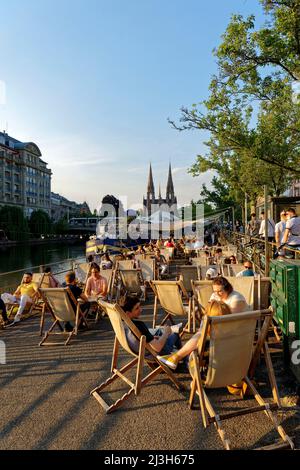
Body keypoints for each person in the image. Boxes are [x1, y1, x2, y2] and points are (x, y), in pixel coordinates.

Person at [157, 301, 232, 370]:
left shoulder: (207, 337)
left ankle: (175, 357)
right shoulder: (235, 334)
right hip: (232, 371)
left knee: (198, 337)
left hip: (209, 373)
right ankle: (176, 356)